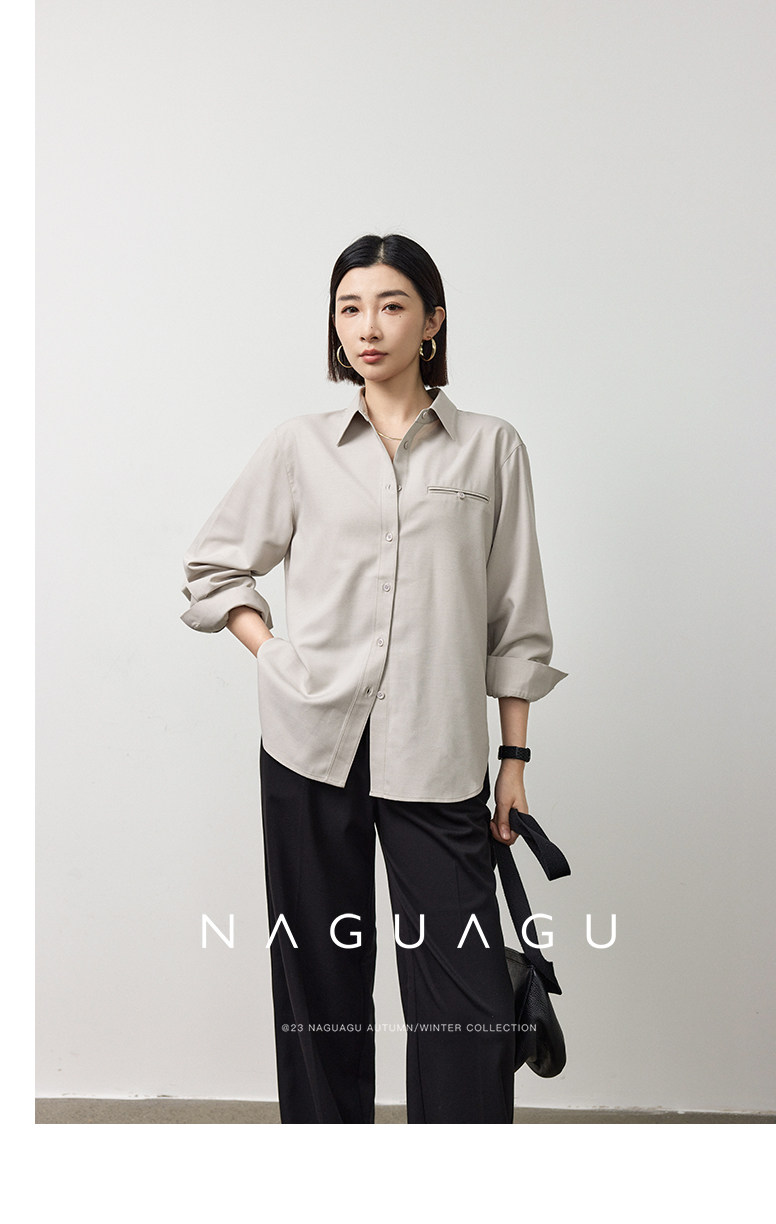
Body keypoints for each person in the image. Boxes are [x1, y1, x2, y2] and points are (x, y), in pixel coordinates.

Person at [180, 233, 567, 1124]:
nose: (367, 327)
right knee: (318, 982)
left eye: (391, 305)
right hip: (310, 745)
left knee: (466, 1005)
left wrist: (514, 759)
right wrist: (276, 655)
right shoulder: (299, 446)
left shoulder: (491, 449)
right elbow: (214, 568)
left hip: (436, 750)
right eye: (349, 308)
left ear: (432, 322)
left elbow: (516, 619)